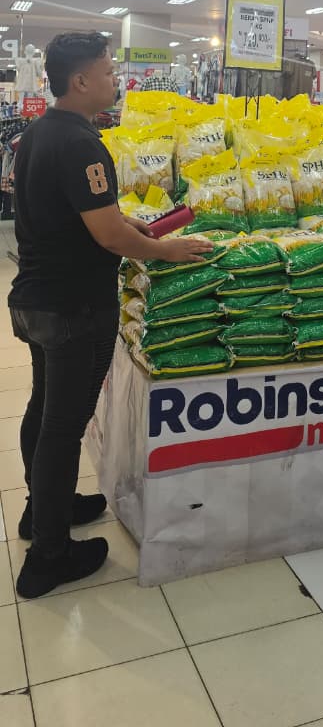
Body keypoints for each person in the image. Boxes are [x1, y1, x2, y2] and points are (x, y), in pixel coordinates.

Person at [8, 31, 213, 599]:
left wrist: (131, 224)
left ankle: (41, 511)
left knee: (44, 408)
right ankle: (48, 556)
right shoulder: (82, 143)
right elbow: (106, 235)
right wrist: (166, 248)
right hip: (72, 307)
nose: (115, 81)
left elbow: (85, 214)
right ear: (80, 81)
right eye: (106, 71)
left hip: (35, 299)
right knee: (62, 426)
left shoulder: (39, 134)